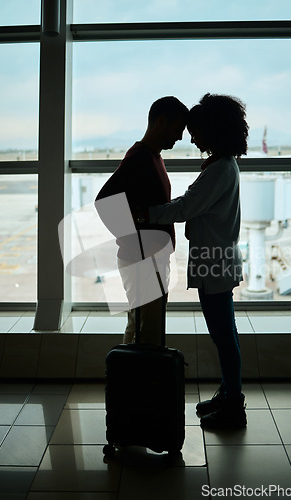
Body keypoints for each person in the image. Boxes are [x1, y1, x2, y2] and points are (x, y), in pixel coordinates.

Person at [146, 93, 248, 429]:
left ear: (213, 130)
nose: (191, 138)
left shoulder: (219, 169)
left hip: (214, 262)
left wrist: (146, 214)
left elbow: (187, 207)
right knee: (224, 333)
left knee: (223, 335)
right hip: (215, 260)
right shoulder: (222, 166)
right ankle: (228, 392)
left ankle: (234, 404)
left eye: (197, 131)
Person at [95, 96, 188, 346]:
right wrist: (134, 243)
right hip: (143, 261)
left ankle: (125, 380)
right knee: (148, 331)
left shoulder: (153, 156)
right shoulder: (140, 157)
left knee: (140, 325)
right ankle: (138, 382)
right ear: (160, 122)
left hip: (150, 259)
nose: (180, 137)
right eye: (177, 129)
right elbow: (104, 200)